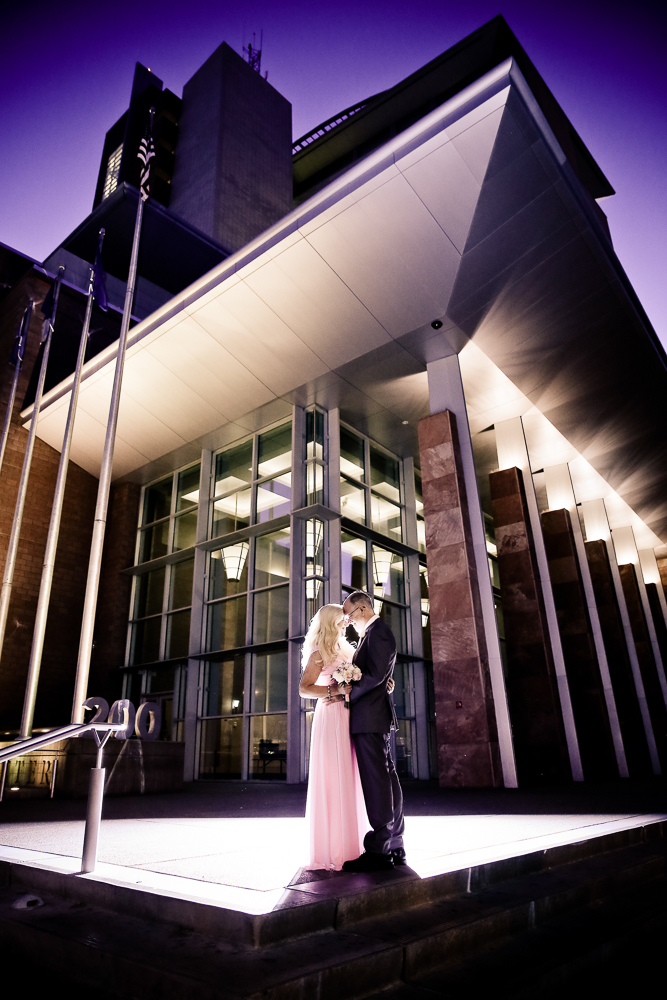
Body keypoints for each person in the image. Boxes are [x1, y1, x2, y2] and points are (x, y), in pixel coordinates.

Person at [299, 603, 368, 870]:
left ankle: (354, 845)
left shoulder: (346, 648)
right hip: (331, 716)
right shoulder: (319, 652)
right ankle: (335, 849)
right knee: (334, 775)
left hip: (349, 714)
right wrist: (334, 692)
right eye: (342, 619)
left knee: (349, 774)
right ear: (331, 622)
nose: (345, 623)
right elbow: (304, 688)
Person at [341, 590, 405, 872]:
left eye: (349, 615)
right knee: (386, 778)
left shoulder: (378, 633)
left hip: (369, 717)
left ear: (362, 609)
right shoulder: (374, 634)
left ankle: (380, 849)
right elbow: (381, 675)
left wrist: (347, 693)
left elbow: (375, 675)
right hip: (373, 717)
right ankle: (395, 843)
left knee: (377, 780)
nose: (348, 621)